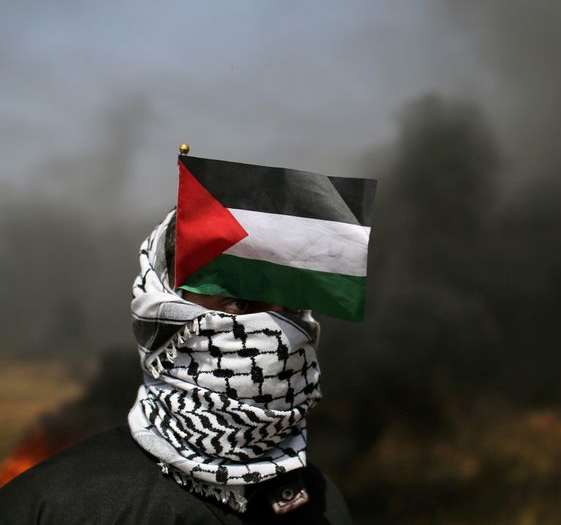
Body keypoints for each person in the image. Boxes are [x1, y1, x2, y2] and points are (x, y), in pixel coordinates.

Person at [0, 210, 352, 524]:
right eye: (240, 302)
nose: (277, 332)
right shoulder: (58, 507)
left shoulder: (319, 501)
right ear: (163, 312)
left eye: (291, 309)